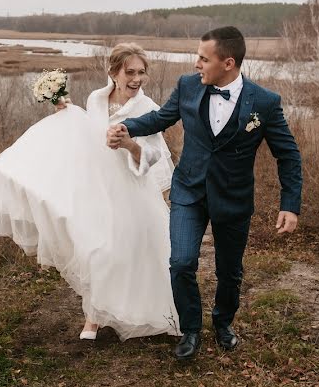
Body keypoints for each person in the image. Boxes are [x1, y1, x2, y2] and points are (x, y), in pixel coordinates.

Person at [108, 26, 302, 360]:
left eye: (203, 58)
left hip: (233, 198)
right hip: (189, 191)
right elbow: (161, 117)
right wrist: (129, 128)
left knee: (230, 271)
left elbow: (288, 154)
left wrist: (290, 204)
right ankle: (191, 329)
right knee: (181, 262)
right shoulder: (187, 86)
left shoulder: (265, 103)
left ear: (228, 62)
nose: (196, 63)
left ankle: (223, 323)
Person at [0, 43, 180, 341]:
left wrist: (130, 144)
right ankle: (93, 318)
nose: (136, 79)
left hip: (130, 191)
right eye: (129, 72)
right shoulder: (96, 99)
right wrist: (67, 113)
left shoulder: (148, 109)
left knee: (123, 253)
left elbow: (155, 154)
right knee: (93, 248)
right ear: (113, 72)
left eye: (141, 73)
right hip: (96, 188)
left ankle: (128, 312)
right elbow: (88, 135)